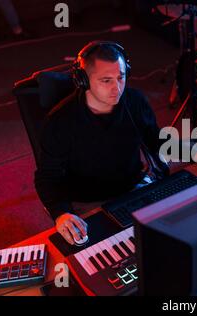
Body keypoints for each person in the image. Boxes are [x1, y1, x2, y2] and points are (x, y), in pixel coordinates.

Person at [34, 41, 168, 245]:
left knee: (169, 238)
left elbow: (155, 139)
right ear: (83, 81)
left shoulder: (134, 101)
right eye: (106, 80)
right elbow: (47, 177)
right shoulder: (60, 122)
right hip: (88, 204)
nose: (117, 88)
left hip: (133, 189)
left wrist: (195, 152)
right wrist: (61, 213)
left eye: (121, 77)